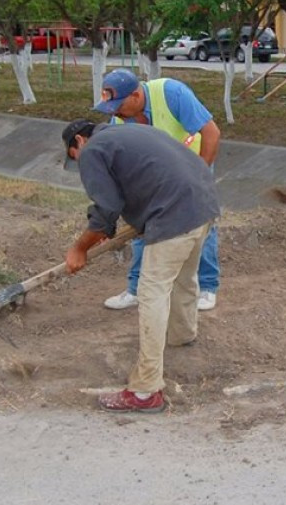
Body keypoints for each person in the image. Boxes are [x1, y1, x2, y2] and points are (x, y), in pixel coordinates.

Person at [62, 119, 220, 413]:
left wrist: (79, 248)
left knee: (152, 293)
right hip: (203, 205)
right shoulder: (131, 131)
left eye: (73, 156)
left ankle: (145, 392)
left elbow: (106, 209)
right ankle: (182, 335)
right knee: (183, 279)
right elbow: (141, 183)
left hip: (173, 216)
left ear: (78, 142)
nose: (78, 162)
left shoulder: (92, 150)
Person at [92, 69, 223, 311]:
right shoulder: (118, 117)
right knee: (142, 225)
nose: (115, 113)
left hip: (194, 164)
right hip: (156, 177)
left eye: (119, 105)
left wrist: (200, 175)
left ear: (135, 96)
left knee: (202, 221)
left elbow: (211, 133)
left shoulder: (171, 93)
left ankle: (206, 288)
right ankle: (136, 289)